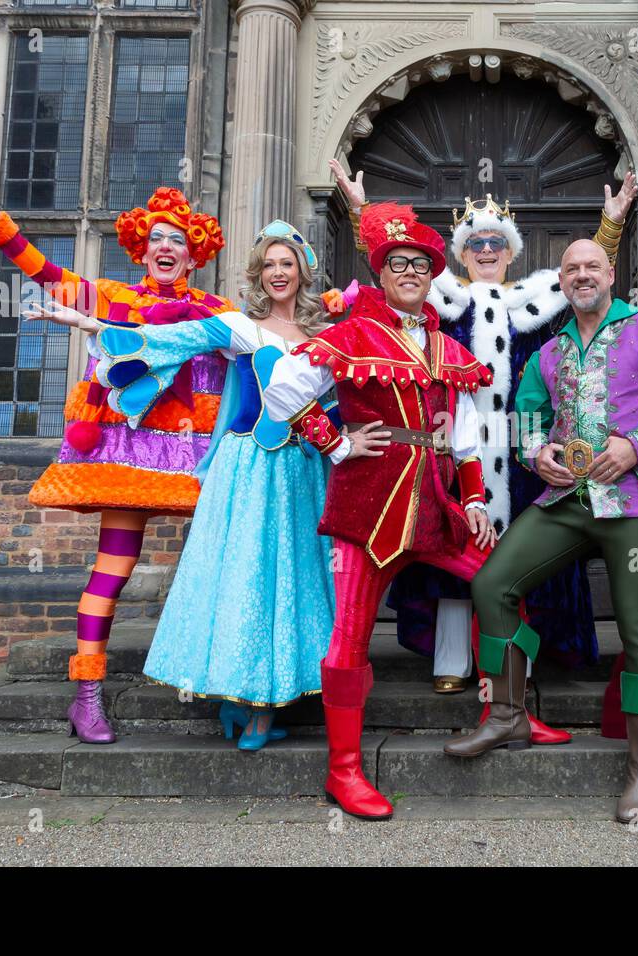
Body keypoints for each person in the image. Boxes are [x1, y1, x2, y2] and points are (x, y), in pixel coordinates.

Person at [0, 176, 233, 744]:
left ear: (194, 253)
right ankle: (86, 694)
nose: (166, 247)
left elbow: (278, 335)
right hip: (125, 456)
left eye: (178, 240)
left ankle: (238, 691)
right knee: (113, 570)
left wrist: (345, 302)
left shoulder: (217, 311)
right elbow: (44, 272)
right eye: (157, 237)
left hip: (197, 459)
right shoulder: (110, 296)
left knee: (224, 563)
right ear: (143, 246)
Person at [24, 222, 347, 749]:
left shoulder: (328, 338)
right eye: (268, 265)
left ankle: (267, 694)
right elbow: (168, 339)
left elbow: (346, 386)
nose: (278, 273)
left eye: (287, 264)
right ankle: (244, 702)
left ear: (302, 272)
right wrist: (86, 322)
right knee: (244, 580)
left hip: (305, 472)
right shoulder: (237, 324)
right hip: (249, 470)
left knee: (292, 582)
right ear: (258, 276)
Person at [330, 160, 635, 716]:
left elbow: (587, 278)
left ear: (511, 250)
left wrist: (609, 225)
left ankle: (513, 666)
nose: (487, 250)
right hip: (450, 444)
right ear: (462, 252)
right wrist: (358, 212)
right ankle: (451, 659)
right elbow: (391, 265)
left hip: (521, 448)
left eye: (496, 241)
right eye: (476, 242)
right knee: (448, 549)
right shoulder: (436, 300)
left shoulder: (540, 301)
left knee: (514, 553)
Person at [448, 238, 638, 825]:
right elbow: (527, 418)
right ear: (561, 282)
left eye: (592, 266)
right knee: (493, 585)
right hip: (567, 498)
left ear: (610, 273)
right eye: (572, 269)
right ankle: (507, 713)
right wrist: (537, 452)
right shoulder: (551, 351)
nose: (582, 275)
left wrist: (635, 444)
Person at [252, 202, 497, 820]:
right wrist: (336, 441)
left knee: (504, 582)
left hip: (438, 503)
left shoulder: (448, 346)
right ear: (383, 275)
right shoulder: (352, 332)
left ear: (432, 275)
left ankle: (512, 713)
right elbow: (281, 391)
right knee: (350, 637)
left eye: (420, 264)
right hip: (369, 505)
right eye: (399, 264)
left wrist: (473, 499)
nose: (411, 272)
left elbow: (463, 438)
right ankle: (344, 772)